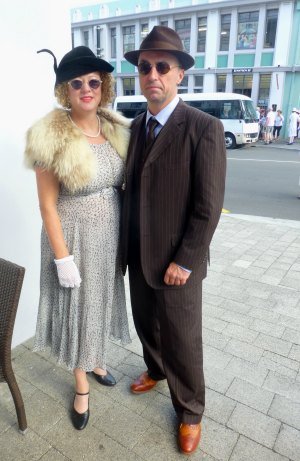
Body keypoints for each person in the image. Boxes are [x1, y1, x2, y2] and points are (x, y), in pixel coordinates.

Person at [121, 26, 226, 455]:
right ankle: (156, 370)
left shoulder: (203, 128)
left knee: (183, 336)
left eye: (162, 66)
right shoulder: (134, 127)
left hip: (178, 260)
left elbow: (208, 206)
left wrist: (185, 260)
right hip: (138, 255)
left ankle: (190, 410)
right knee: (146, 325)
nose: (152, 75)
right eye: (145, 67)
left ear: (180, 73)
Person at [24, 46, 131, 430]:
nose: (87, 88)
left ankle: (97, 358)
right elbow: (47, 205)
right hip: (73, 236)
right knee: (78, 305)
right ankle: (81, 382)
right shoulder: (50, 135)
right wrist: (62, 258)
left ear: (103, 86)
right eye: (77, 82)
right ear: (64, 90)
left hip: (108, 235)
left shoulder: (116, 129)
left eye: (94, 81)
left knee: (99, 300)